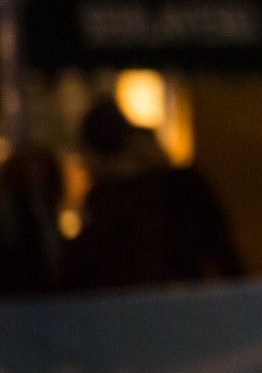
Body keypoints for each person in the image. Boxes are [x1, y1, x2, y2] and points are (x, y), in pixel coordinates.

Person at [65, 98, 243, 289]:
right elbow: (224, 252)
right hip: (181, 297)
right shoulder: (184, 183)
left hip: (142, 300)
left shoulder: (106, 198)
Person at [0, 141, 65, 294]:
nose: (37, 173)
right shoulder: (15, 204)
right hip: (21, 284)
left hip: (41, 284)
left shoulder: (45, 201)